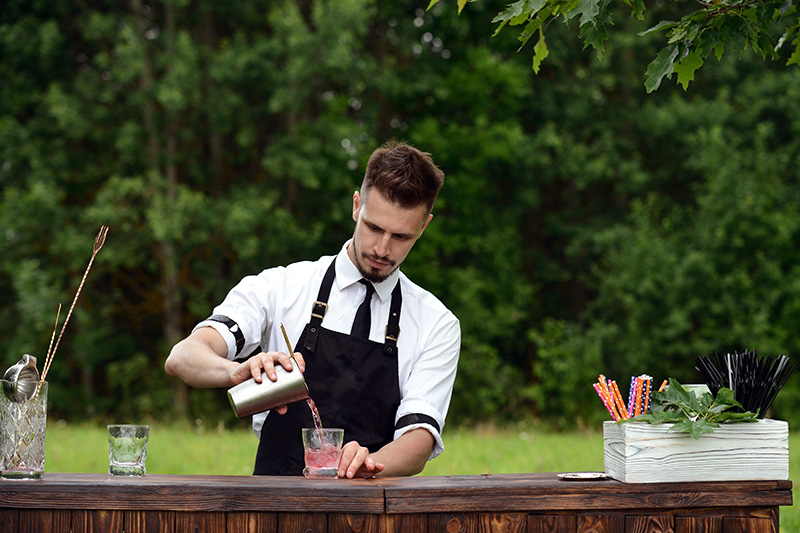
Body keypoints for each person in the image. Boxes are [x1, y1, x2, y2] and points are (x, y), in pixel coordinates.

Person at [165, 140, 460, 478]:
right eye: (374, 227)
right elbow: (182, 357)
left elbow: (418, 440)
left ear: (424, 227)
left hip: (373, 512)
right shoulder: (282, 287)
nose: (382, 248)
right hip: (273, 511)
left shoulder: (436, 323)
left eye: (401, 237)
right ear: (355, 207)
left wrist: (371, 464)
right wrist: (235, 371)